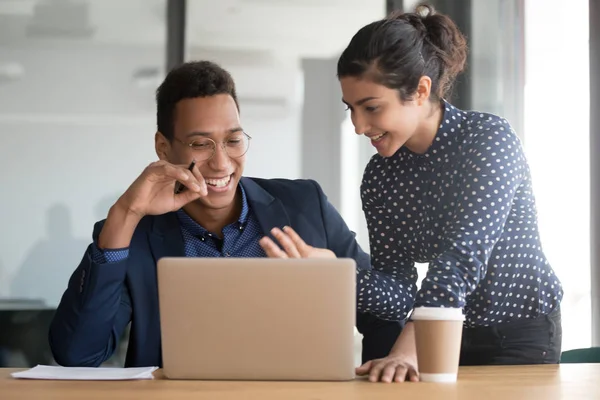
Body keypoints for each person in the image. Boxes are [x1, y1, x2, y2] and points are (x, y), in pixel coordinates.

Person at [48, 60, 402, 367]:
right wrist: (125, 213)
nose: (221, 162)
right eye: (201, 144)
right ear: (163, 146)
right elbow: (79, 354)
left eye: (233, 140)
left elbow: (386, 311)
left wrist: (378, 373)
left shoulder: (305, 205)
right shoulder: (133, 233)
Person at [335, 4, 563, 382]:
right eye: (351, 109)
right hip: (440, 332)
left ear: (421, 90)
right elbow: (396, 288)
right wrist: (338, 275)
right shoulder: (380, 177)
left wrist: (410, 346)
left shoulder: (487, 140)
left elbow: (462, 255)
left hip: (519, 330)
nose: (359, 126)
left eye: (371, 107)